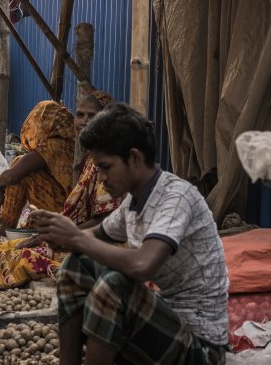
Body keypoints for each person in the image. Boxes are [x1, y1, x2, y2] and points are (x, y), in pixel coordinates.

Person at [33, 103, 228, 365]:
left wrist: (76, 238)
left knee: (114, 286)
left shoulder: (176, 197)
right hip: (165, 323)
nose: (100, 177)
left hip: (200, 346)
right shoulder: (133, 202)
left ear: (134, 158)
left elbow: (142, 264)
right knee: (76, 266)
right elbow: (95, 237)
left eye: (105, 167)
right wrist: (60, 233)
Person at [0, 100, 76, 228]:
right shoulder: (71, 143)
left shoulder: (53, 146)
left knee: (21, 166)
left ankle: (6, 225)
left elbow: (12, 176)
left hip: (66, 212)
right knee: (20, 162)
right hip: (69, 206)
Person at [62, 90, 121, 228]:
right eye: (80, 115)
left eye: (91, 116)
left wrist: (62, 235)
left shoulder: (110, 157)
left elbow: (105, 221)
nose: (84, 121)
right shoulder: (90, 157)